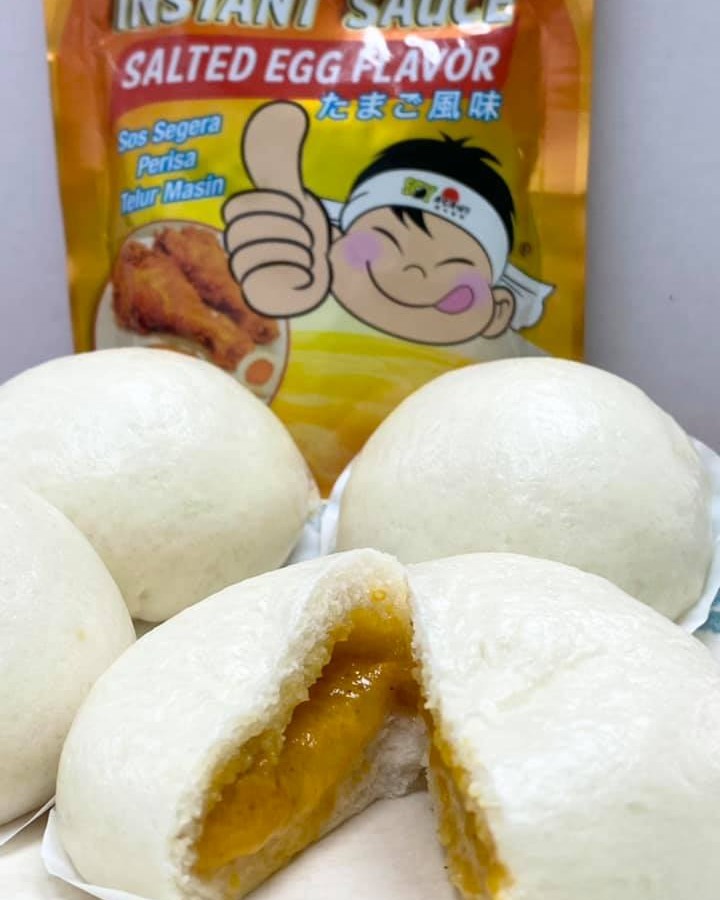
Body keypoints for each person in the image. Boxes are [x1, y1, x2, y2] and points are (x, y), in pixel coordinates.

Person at [223, 101, 553, 345]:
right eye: (384, 241)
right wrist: (278, 273)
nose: (414, 271)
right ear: (332, 239)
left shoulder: (510, 370)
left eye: (455, 265)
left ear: (499, 310)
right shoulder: (312, 275)